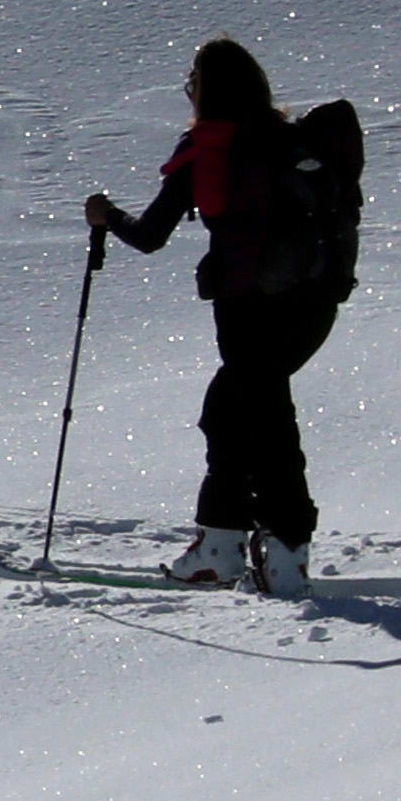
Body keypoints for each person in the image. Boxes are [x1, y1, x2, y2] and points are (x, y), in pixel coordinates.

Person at [89, 37, 360, 596]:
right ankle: (224, 544)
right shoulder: (293, 142)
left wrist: (104, 215)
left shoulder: (209, 148)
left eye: (192, 81)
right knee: (234, 414)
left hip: (249, 312)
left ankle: (279, 554)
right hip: (313, 307)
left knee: (263, 425)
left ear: (204, 91)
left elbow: (149, 236)